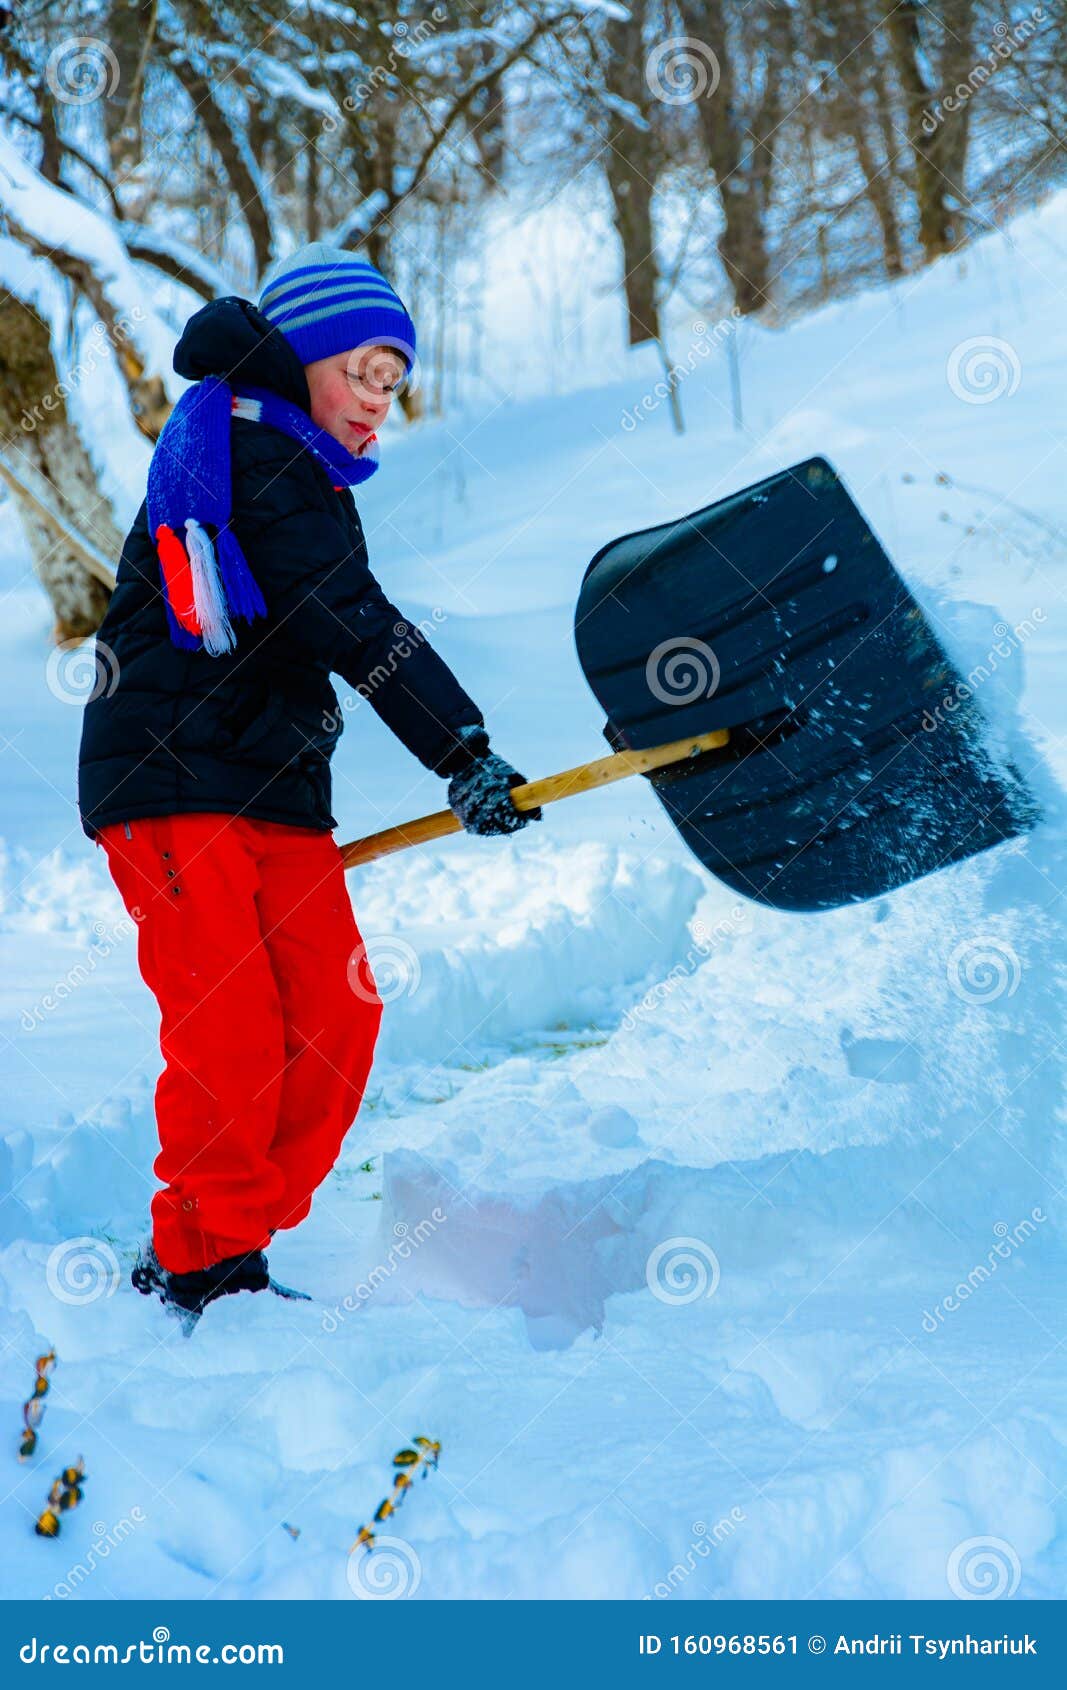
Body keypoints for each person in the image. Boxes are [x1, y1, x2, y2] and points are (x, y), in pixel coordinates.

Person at [77, 243, 539, 1325]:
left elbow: (324, 612)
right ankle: (205, 1265)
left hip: (272, 785)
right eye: (364, 374)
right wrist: (461, 750)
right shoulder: (252, 450)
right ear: (300, 359)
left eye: (394, 385)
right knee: (228, 1031)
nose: (380, 405)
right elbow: (351, 618)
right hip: (171, 777)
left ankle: (218, 1228)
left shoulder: (292, 466)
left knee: (336, 1015)